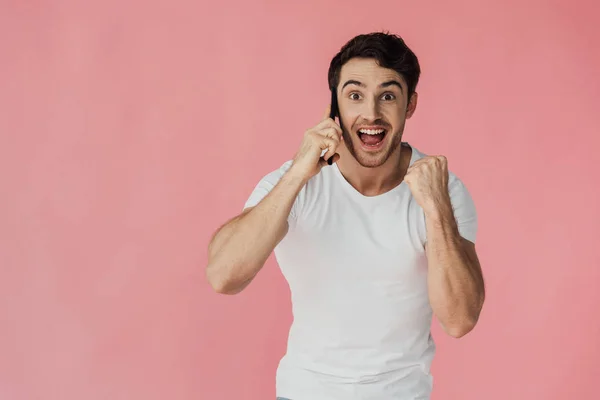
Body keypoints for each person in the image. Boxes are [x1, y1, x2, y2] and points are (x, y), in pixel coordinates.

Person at [206, 31, 485, 400]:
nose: (371, 113)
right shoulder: (294, 182)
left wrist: (434, 209)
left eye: (388, 96)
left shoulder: (442, 191)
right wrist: (297, 174)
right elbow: (224, 276)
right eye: (355, 96)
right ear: (335, 107)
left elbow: (460, 319)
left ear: (410, 105)